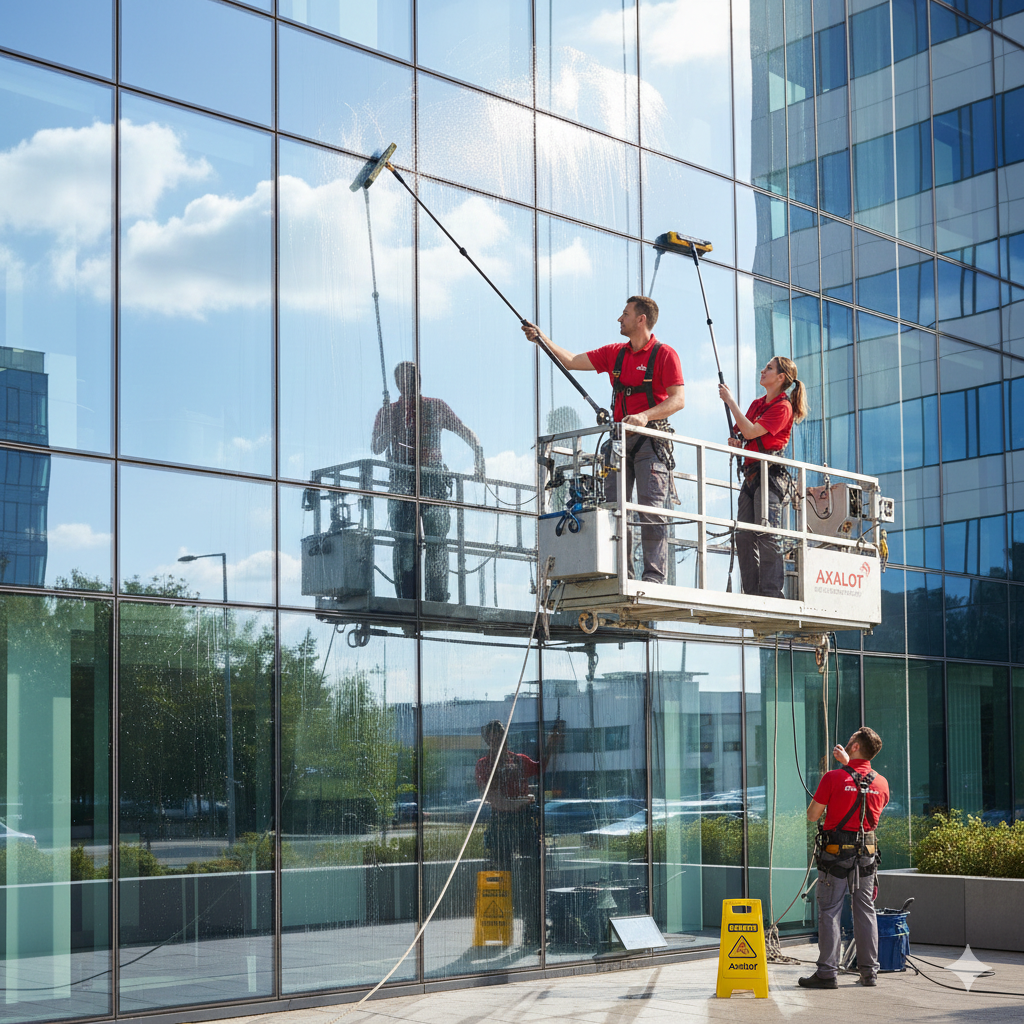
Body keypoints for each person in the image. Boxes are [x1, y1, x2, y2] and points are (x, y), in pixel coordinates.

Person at [522, 297, 684, 584]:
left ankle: (653, 578)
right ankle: (621, 574)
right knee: (614, 508)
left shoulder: (664, 355)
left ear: (641, 320)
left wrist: (645, 416)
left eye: (625, 314)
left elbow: (678, 400)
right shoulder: (615, 354)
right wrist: (541, 339)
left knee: (650, 510)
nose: (619, 319)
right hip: (619, 441)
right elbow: (571, 361)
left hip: (651, 441)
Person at [371, 361, 486, 602]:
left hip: (432, 479)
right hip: (402, 479)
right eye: (402, 379)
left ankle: (436, 596)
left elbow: (463, 430)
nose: (407, 383)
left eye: (411, 378)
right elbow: (377, 448)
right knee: (404, 540)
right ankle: (407, 598)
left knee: (436, 538)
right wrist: (388, 427)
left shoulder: (435, 407)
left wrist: (479, 454)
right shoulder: (389, 412)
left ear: (418, 380)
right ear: (397, 384)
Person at [801, 727, 890, 989]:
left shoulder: (833, 778)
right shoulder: (882, 783)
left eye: (850, 739)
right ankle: (869, 973)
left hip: (835, 855)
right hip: (866, 855)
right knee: (865, 910)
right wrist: (849, 769)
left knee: (830, 911)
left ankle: (827, 973)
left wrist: (842, 773)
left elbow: (812, 815)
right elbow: (862, 794)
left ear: (854, 747)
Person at [718, 356, 807, 598]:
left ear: (780, 378)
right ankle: (752, 591)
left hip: (769, 476)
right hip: (752, 475)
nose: (763, 370)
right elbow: (743, 433)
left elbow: (749, 430)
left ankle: (770, 592)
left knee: (767, 534)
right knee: (744, 536)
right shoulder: (758, 404)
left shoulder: (783, 407)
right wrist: (738, 441)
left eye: (769, 368)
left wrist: (731, 402)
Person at [475, 718, 564, 948]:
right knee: (501, 877)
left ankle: (533, 930)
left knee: (530, 878)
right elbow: (494, 799)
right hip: (502, 823)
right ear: (487, 740)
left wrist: (551, 744)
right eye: (492, 738)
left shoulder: (518, 760)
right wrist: (523, 801)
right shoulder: (484, 765)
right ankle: (499, 930)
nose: (497, 742)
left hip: (523, 823)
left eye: (500, 737)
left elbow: (540, 766)